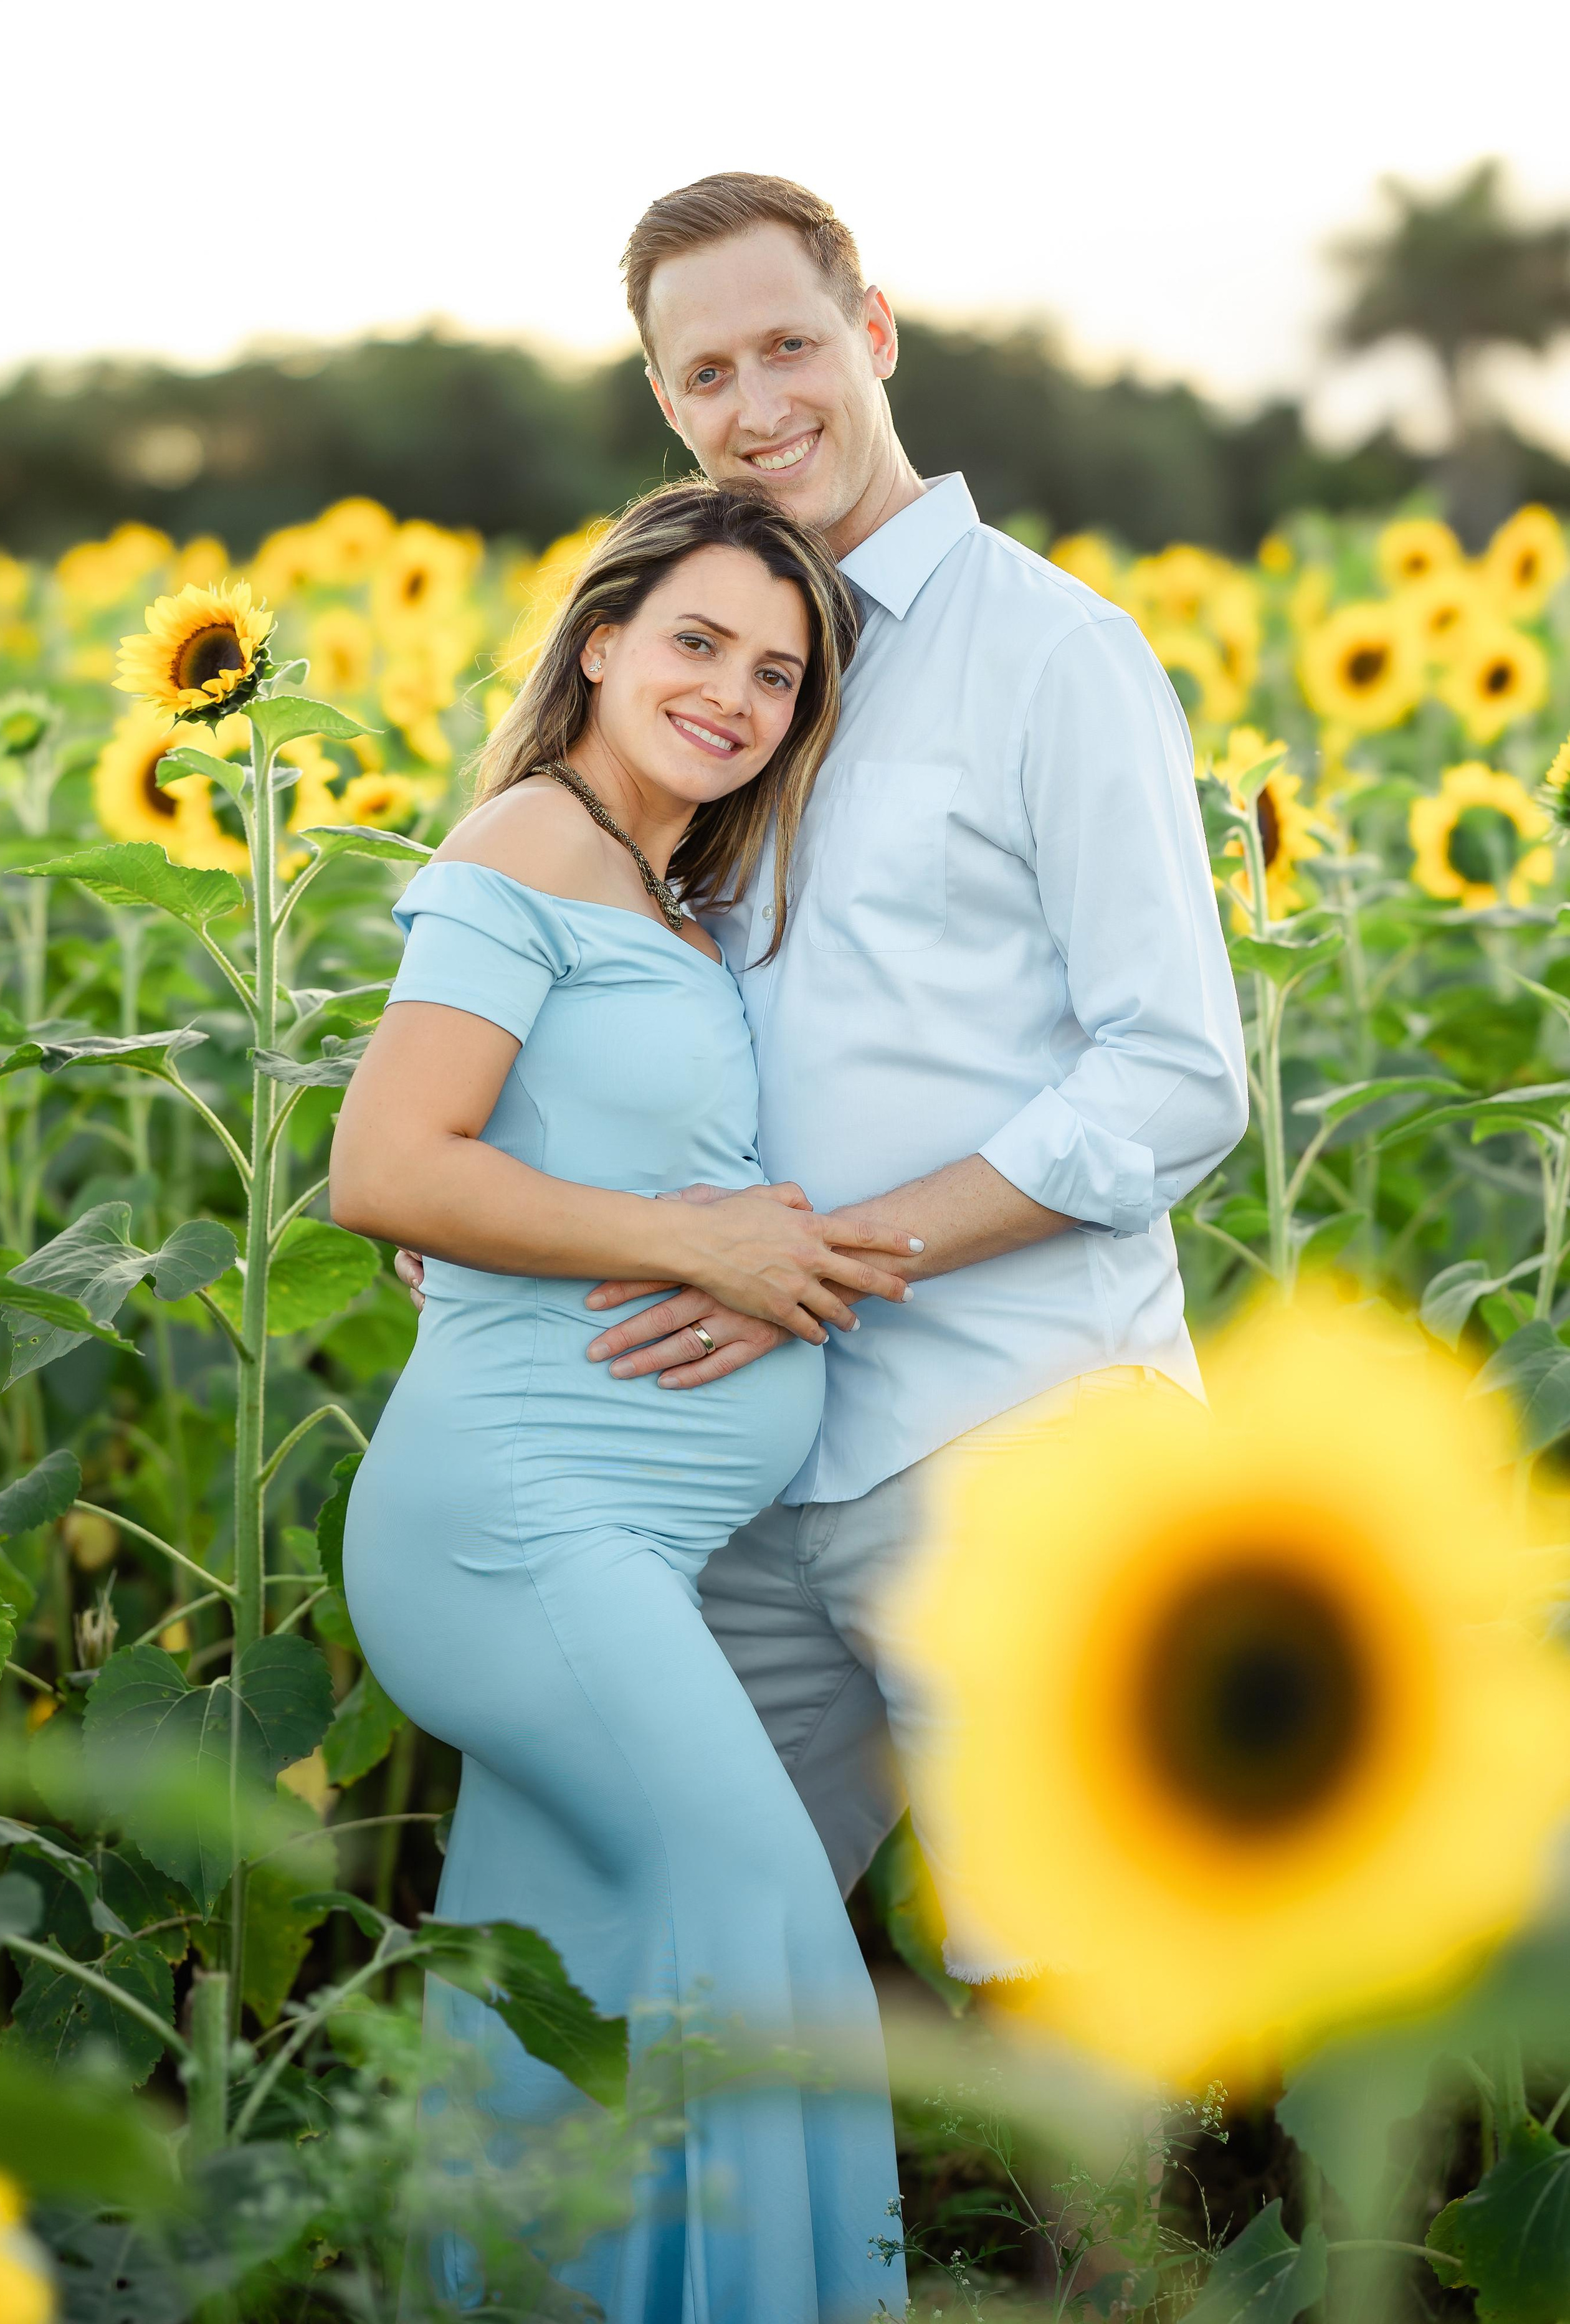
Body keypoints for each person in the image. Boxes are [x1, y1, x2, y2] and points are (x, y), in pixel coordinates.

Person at [531, 171, 1249, 1938]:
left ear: (874, 332)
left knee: (1071, 2001)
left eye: (792, 344)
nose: (759, 406)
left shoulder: (1052, 653)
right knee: (666, 1974)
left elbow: (1175, 1076)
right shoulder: (709, 682)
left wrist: (828, 1263)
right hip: (743, 1454)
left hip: (1014, 1428)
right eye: (708, 376)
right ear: (666, 405)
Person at [331, 478, 914, 2322]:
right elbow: (384, 1165)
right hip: (516, 1525)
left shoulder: (665, 894)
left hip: (612, 1539)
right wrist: (698, 1252)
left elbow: (519, 1167)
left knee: (554, 1988)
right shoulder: (525, 842)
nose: (734, 694)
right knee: (761, 1936)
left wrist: (712, 1245)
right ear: (599, 643)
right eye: (696, 643)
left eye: (775, 672)